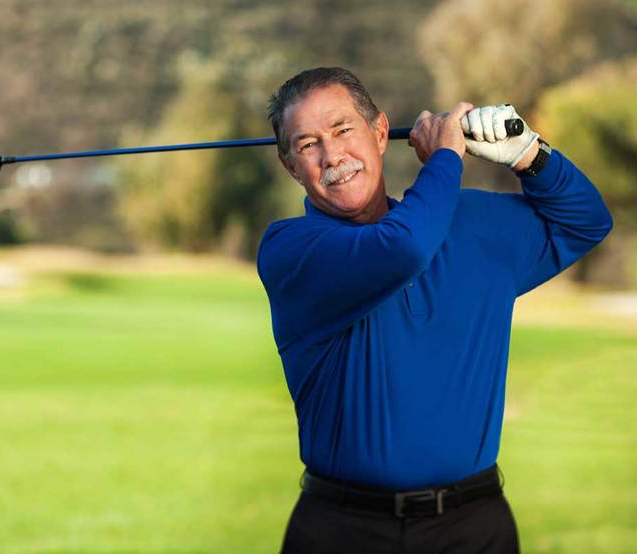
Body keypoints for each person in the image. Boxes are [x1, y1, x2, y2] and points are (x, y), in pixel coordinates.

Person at [257, 67, 613, 553]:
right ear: (291, 167)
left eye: (343, 130)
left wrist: (528, 153)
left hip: (473, 528)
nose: (332, 154)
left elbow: (586, 220)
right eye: (307, 144)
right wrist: (446, 155)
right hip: (344, 531)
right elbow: (402, 248)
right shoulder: (292, 250)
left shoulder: (471, 223)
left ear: (381, 132)